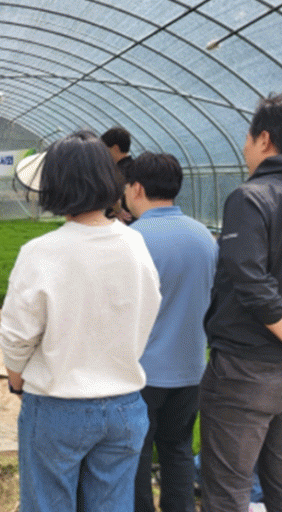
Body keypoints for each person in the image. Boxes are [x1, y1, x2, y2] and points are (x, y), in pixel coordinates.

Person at [0, 130, 161, 512]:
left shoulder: (41, 252)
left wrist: (16, 380)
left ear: (55, 185)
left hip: (58, 408)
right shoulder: (135, 244)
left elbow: (17, 336)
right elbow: (149, 308)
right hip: (124, 408)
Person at [200, 92, 282, 512]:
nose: (245, 145)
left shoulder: (251, 197)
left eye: (248, 137)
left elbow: (249, 277)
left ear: (263, 139)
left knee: (227, 489)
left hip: (246, 369)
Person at [122, 152, 217, 512]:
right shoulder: (205, 238)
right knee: (178, 450)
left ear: (137, 188)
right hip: (191, 370)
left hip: (142, 373)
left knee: (137, 454)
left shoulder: (131, 240)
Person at [101, 127, 134, 223]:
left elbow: (113, 195)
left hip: (118, 221)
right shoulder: (138, 166)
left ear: (115, 148)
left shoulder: (116, 171)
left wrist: (118, 210)